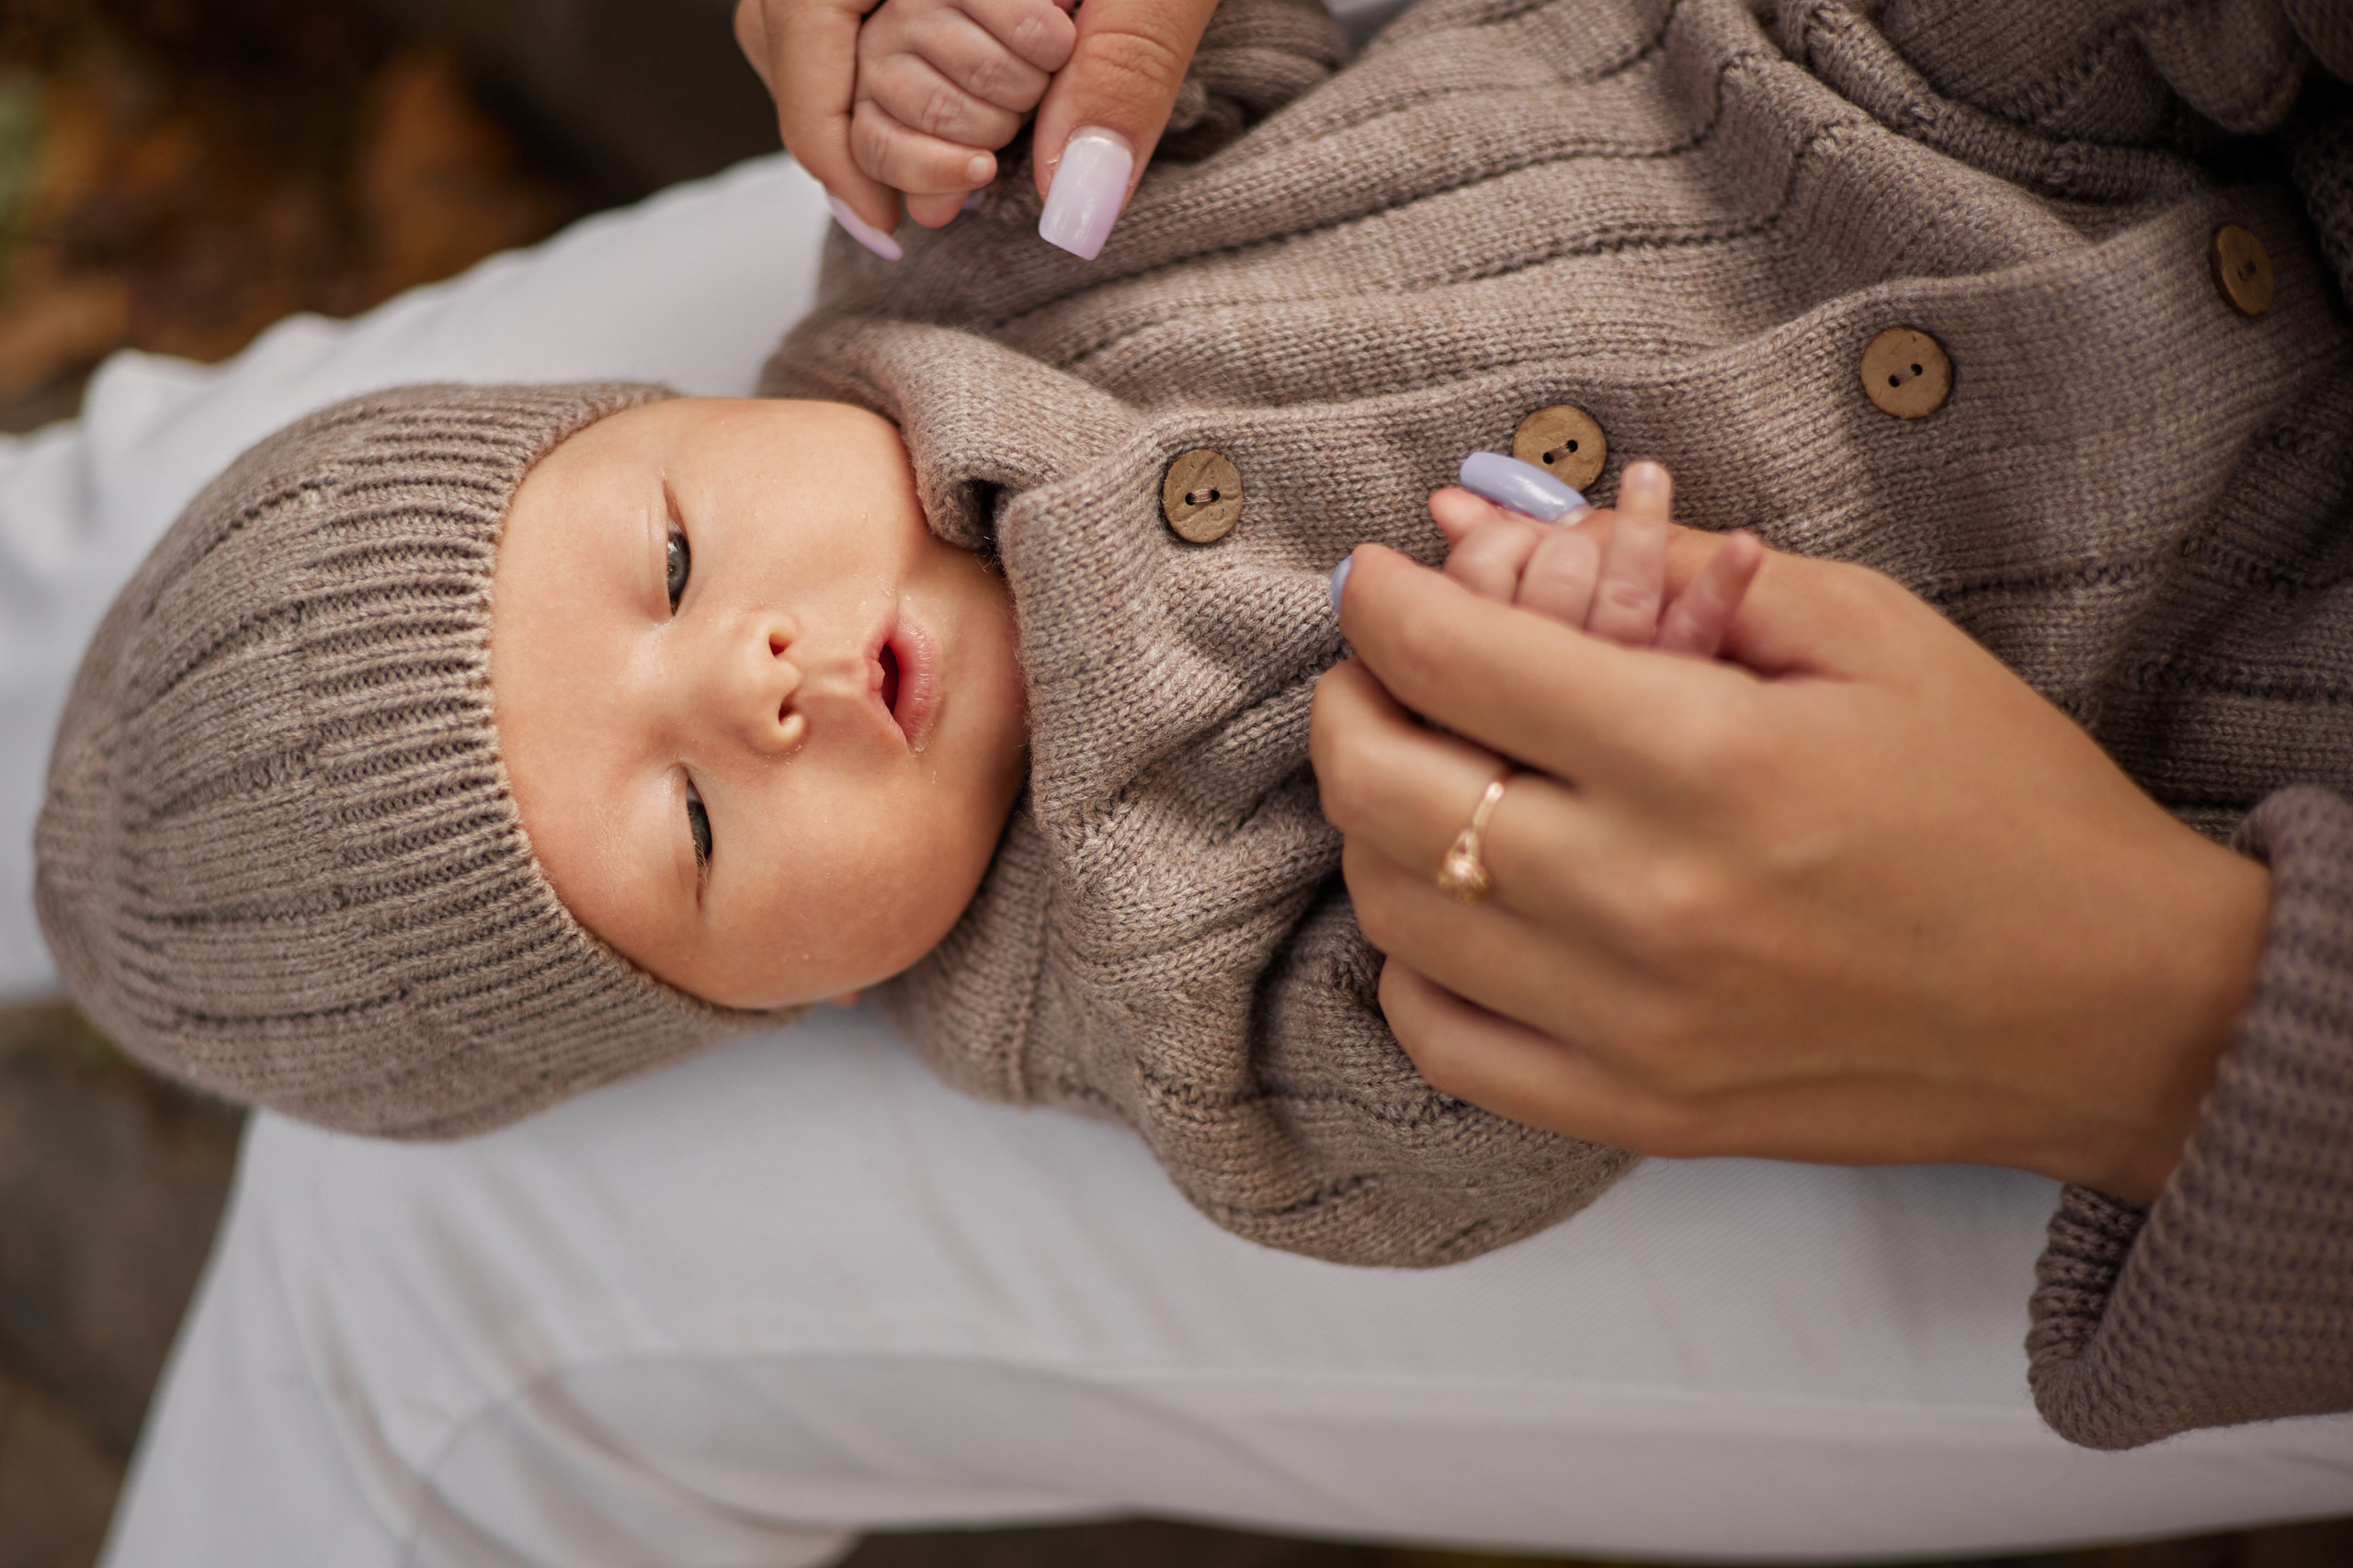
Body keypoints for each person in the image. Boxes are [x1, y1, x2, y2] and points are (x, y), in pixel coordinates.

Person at [38, 0, 2353, 1451]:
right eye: (687, 833)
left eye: (660, 562)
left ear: (664, 410)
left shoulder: (962, 244)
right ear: (768, 1004)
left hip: (1889, 85)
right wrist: (1595, 722)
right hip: (2212, 648)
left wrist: (992, 45)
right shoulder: (1138, 978)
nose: (743, 683)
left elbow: (1259, 50)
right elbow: (1421, 1118)